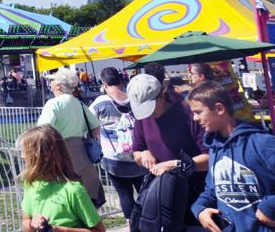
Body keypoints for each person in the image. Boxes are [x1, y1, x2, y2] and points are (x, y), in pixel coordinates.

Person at [188, 81, 275, 232]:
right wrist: (200, 209)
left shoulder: (262, 143)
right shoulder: (214, 149)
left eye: (198, 112)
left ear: (219, 109)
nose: (195, 118)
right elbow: (212, 189)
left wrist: (269, 207)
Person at [128, 73, 209, 223]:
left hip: (195, 194)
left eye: (151, 107)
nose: (149, 114)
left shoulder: (188, 111)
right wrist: (143, 154)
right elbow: (137, 152)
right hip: (161, 197)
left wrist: (174, 165)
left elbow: (210, 157)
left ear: (162, 94)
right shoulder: (142, 118)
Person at [36, 68, 105, 207]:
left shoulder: (53, 104)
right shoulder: (78, 103)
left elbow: (44, 129)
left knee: (64, 194)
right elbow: (95, 126)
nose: (50, 84)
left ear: (59, 86)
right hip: (81, 153)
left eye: (52, 81)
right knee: (84, 193)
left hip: (60, 152)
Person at [17, 124, 106, 232]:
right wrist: (32, 223)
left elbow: (99, 230)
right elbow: (25, 222)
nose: (22, 156)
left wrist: (58, 229)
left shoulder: (73, 191)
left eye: (27, 152)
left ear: (44, 156)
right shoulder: (31, 184)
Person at [89, 67, 147, 222]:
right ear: (121, 81)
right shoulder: (134, 100)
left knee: (124, 193)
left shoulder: (99, 103)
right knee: (144, 192)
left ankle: (132, 225)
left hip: (113, 157)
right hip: (138, 154)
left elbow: (90, 125)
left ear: (104, 83)